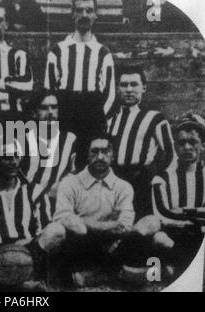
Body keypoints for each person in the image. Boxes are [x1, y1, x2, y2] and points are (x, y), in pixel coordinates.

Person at [53, 135, 161, 287]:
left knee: (151, 222)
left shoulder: (123, 187)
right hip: (83, 244)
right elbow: (64, 218)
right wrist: (102, 225)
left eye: (105, 151)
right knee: (72, 230)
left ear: (113, 155)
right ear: (87, 155)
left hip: (115, 243)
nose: (100, 157)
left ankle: (101, 274)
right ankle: (117, 272)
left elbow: (124, 225)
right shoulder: (69, 184)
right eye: (94, 152)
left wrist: (90, 223)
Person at [0, 137, 66, 285]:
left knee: (56, 229)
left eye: (17, 156)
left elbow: (44, 229)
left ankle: (22, 278)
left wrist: (21, 249)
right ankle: (20, 282)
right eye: (7, 157)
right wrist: (1, 253)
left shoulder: (34, 190)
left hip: (29, 251)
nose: (14, 162)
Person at [44, 0, 116, 171]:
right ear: (72, 13)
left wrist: (99, 117)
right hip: (65, 111)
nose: (84, 15)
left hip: (92, 113)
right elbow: (49, 88)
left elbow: (110, 93)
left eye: (89, 10)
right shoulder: (58, 50)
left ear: (95, 15)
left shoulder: (103, 52)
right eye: (80, 10)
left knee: (88, 165)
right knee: (62, 164)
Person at [108, 65, 176, 220]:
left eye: (134, 84)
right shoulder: (111, 121)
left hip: (142, 182)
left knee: (141, 227)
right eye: (124, 85)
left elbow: (170, 153)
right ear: (118, 88)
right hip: (115, 182)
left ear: (144, 88)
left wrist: (152, 174)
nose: (129, 89)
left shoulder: (155, 118)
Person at [151, 114, 205, 276]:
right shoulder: (161, 178)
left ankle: (176, 269)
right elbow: (162, 215)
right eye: (182, 143)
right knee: (159, 238)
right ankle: (187, 268)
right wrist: (197, 215)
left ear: (202, 146)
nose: (187, 147)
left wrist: (181, 211)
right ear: (175, 147)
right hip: (175, 235)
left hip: (200, 235)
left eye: (193, 142)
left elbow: (172, 212)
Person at [24, 90, 76, 204]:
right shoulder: (23, 140)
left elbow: (73, 172)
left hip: (56, 204)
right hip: (27, 203)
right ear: (34, 113)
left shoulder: (69, 139)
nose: (50, 112)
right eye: (44, 108)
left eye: (54, 107)